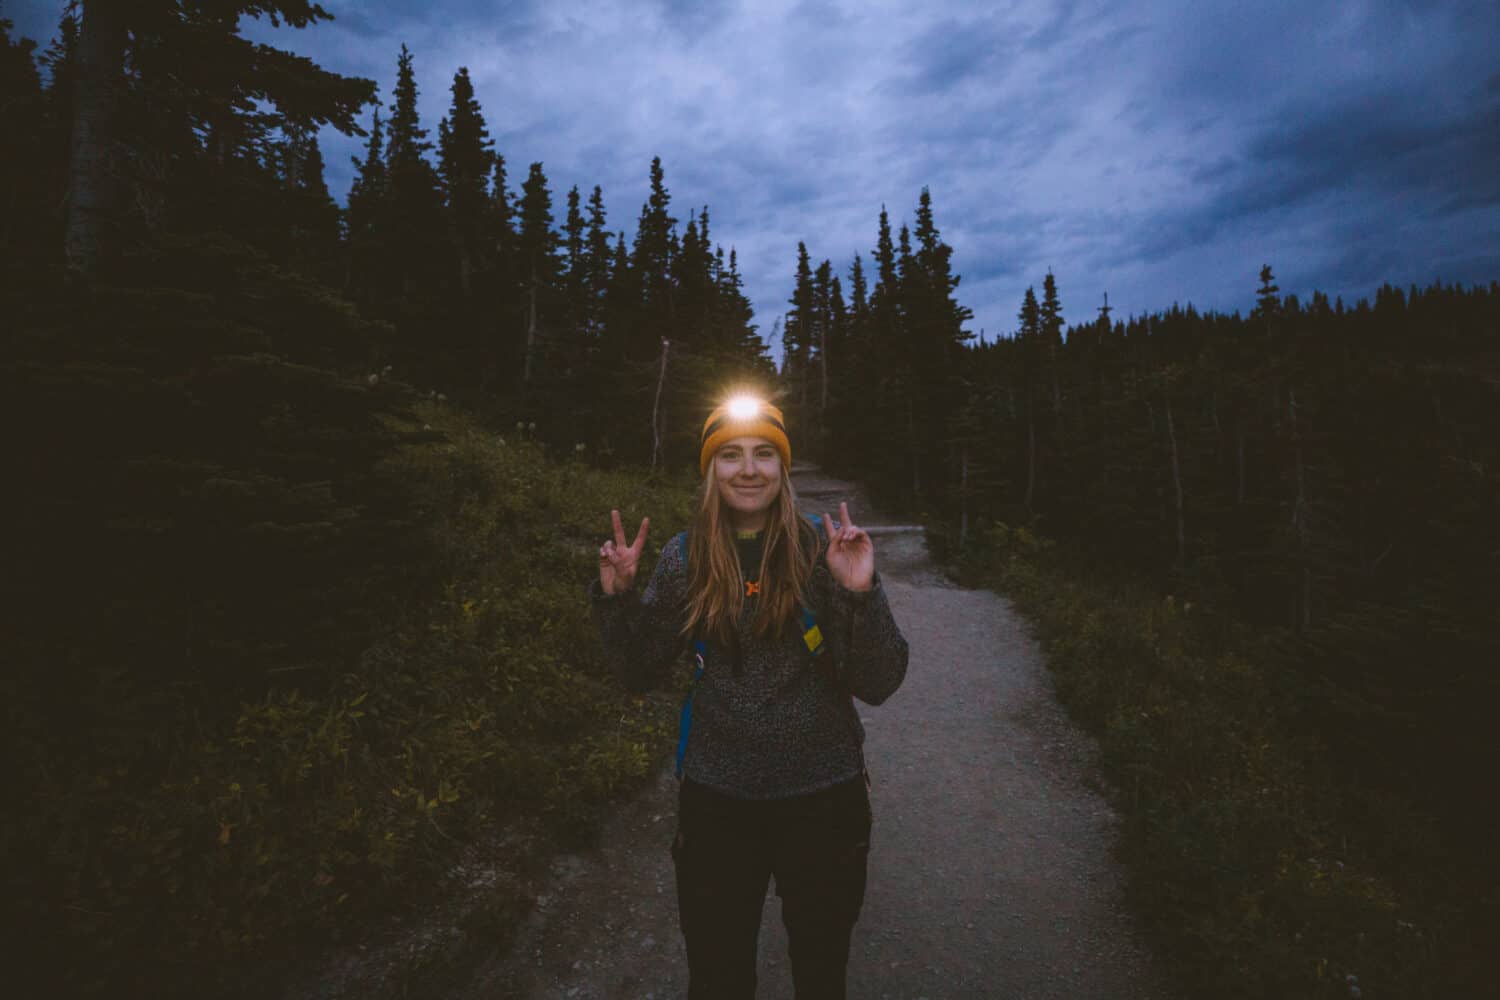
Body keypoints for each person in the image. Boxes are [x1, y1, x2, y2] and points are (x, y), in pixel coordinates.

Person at [590, 394, 909, 999]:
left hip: (824, 800)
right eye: (730, 455)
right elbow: (637, 671)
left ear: (783, 469)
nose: (748, 468)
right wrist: (618, 600)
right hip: (718, 804)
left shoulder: (826, 549)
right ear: (711, 470)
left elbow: (880, 681)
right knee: (717, 978)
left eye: (765, 454)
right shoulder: (685, 558)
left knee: (821, 974)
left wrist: (860, 595)